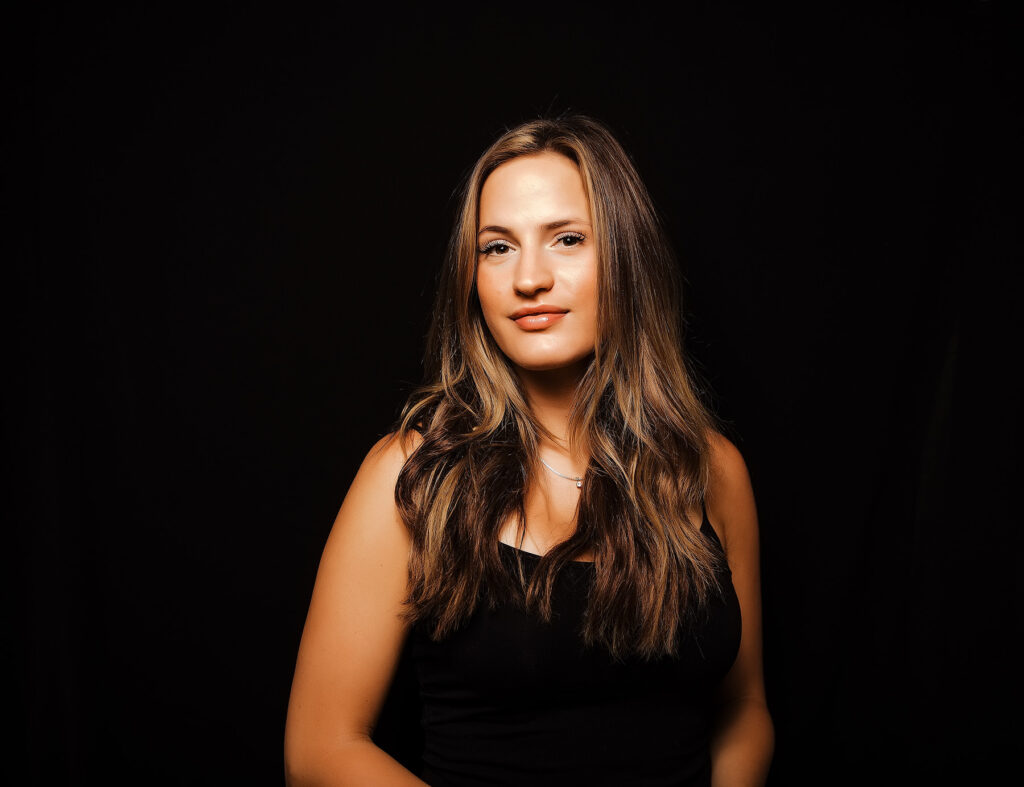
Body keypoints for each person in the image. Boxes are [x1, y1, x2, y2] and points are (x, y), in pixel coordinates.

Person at [284, 115, 774, 786]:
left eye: (567, 239)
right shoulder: (411, 476)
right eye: (497, 248)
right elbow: (320, 746)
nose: (529, 278)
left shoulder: (711, 470)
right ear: (472, 276)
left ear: (626, 259)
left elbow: (743, 706)